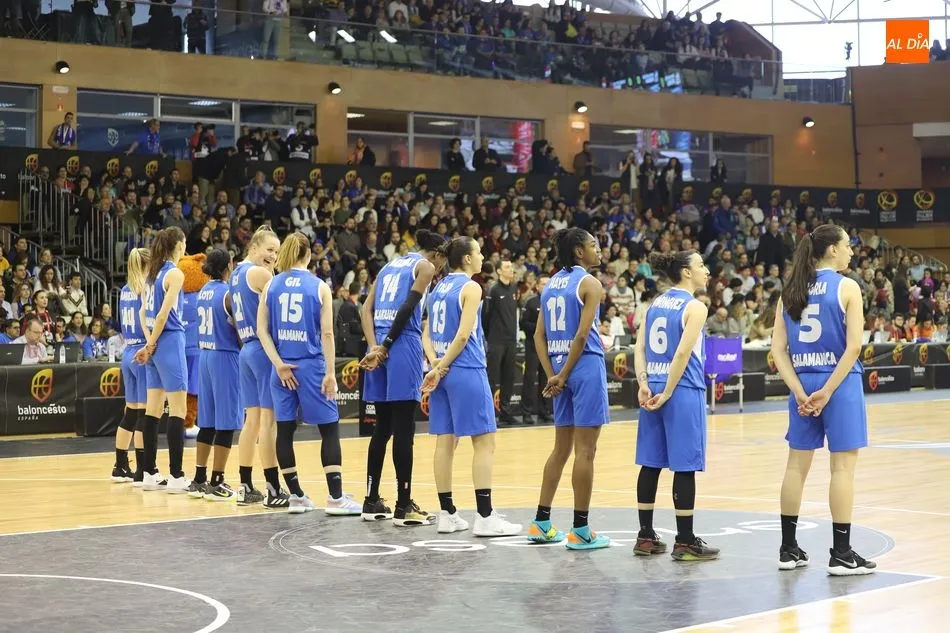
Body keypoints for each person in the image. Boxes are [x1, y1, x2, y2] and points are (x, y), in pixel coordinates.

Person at [770, 224, 876, 575]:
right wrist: (828, 390)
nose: (851, 251)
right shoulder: (847, 286)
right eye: (848, 245)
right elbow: (855, 347)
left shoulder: (790, 290)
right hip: (838, 383)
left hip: (802, 383)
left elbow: (777, 350)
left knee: (794, 467)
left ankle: (788, 550)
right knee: (842, 468)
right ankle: (842, 553)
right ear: (832, 250)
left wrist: (800, 390)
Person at [421, 237, 521, 537]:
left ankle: (447, 513)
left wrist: (435, 364)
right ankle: (485, 516)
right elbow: (464, 335)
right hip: (465, 369)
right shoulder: (472, 287)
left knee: (445, 442)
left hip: (442, 371)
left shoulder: (438, 287)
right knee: (484, 442)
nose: (482, 257)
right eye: (478, 252)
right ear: (466, 259)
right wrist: (441, 366)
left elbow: (425, 333)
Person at [258, 232, 361, 515]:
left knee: (285, 430)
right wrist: (330, 372)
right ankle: (336, 498)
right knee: (329, 429)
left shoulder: (271, 285)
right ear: (308, 255)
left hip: (282, 369)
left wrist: (278, 363)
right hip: (311, 366)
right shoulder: (319, 287)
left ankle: (296, 495)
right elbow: (327, 333)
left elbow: (261, 331)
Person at [633, 250, 719, 561]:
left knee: (651, 462)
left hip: (652, 386)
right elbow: (682, 355)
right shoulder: (695, 307)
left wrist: (643, 383)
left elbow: (639, 348)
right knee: (685, 465)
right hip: (680, 389)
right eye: (701, 265)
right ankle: (684, 540)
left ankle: (645, 536)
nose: (706, 270)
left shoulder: (654, 304)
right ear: (685, 272)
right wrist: (668, 392)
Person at [529, 228, 611, 550]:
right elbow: (581, 337)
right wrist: (563, 374)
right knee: (586, 452)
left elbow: (538, 337)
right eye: (594, 244)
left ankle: (541, 522)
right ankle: (580, 530)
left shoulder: (550, 285)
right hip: (585, 368)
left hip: (560, 371)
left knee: (560, 450)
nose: (599, 249)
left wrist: (554, 375)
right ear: (579, 252)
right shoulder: (590, 283)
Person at [359, 228, 446, 526]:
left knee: (381, 428)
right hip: (401, 343)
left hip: (380, 344)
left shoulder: (388, 266)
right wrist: (386, 347)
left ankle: (371, 501)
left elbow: (365, 309)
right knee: (404, 429)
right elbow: (408, 307)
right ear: (436, 254)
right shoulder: (424, 267)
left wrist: (374, 344)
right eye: (442, 262)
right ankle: (404, 505)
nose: (440, 270)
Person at [230, 227, 289, 508]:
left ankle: (244, 485)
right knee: (268, 422)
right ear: (253, 248)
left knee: (251, 422)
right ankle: (273, 487)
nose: (273, 256)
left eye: (277, 252)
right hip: (263, 350)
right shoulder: (261, 274)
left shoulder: (235, 275)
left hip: (246, 349)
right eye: (269, 249)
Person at [134, 227, 190, 493]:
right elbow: (162, 315)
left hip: (154, 344)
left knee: (152, 410)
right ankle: (177, 476)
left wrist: (147, 344)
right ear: (178, 245)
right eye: (184, 243)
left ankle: (148, 472)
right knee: (178, 409)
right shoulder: (175, 273)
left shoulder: (151, 274)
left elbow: (143, 312)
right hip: (167, 341)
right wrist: (154, 342)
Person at [187, 249, 243, 501]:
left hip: (205, 355)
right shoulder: (228, 294)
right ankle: (217, 481)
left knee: (207, 422)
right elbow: (240, 331)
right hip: (224, 356)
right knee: (227, 422)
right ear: (228, 265)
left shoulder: (202, 292)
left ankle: (199, 478)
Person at [116, 248, 150, 485]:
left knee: (130, 413)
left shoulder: (125, 290)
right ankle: (141, 469)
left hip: (126, 349)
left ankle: (120, 465)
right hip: (140, 352)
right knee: (142, 415)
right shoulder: (144, 290)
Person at [484, 259, 519, 425]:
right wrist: (491, 337)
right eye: (507, 267)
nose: (510, 269)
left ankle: (505, 413)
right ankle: (488, 414)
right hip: (496, 341)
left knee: (509, 377)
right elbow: (486, 316)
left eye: (511, 267)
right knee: (492, 378)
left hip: (511, 340)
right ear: (498, 271)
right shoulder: (493, 289)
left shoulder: (514, 288)